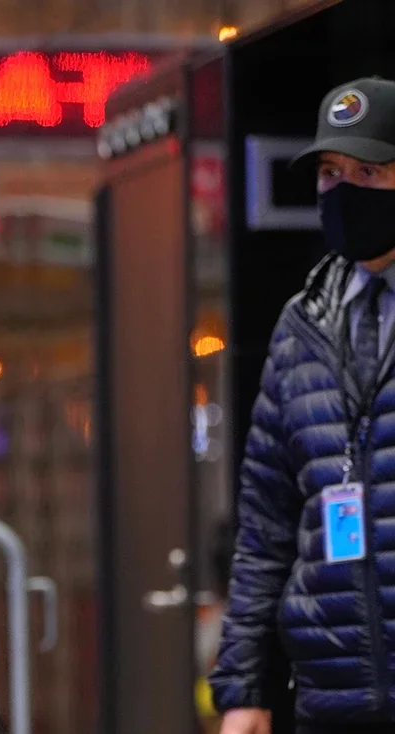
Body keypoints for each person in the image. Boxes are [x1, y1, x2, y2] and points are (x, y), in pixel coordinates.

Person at [212, 76, 395, 734]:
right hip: (332, 700)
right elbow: (265, 526)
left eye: (368, 171)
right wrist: (244, 688)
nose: (343, 190)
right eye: (328, 171)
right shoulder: (303, 326)